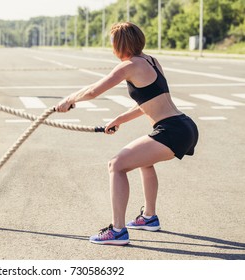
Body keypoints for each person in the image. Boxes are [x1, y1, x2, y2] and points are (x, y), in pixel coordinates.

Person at [55, 22, 198, 245]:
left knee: (117, 164)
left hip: (172, 130)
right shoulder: (151, 61)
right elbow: (148, 101)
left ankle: (118, 231)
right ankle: (149, 217)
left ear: (120, 45)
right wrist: (119, 120)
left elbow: (93, 90)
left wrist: (69, 99)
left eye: (113, 42)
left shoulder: (128, 66)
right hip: (183, 125)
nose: (111, 46)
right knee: (144, 161)